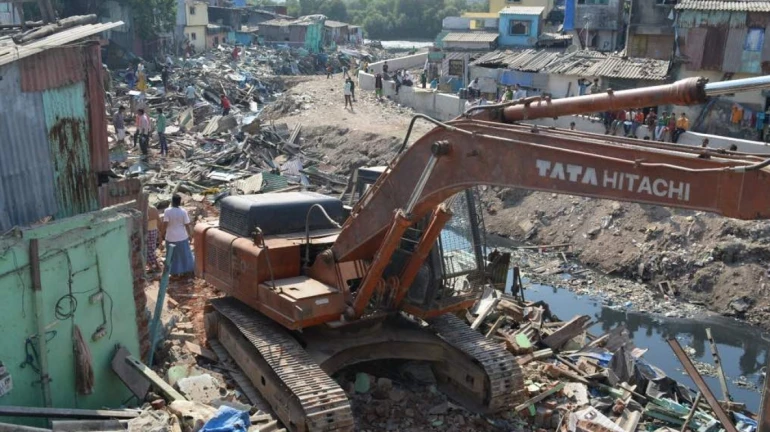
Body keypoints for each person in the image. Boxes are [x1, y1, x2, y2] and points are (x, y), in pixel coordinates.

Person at [161, 194, 195, 277]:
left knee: (172, 256)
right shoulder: (183, 211)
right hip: (182, 237)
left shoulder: (167, 211)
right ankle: (186, 271)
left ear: (172, 201)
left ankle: (174, 273)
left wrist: (161, 233)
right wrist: (190, 235)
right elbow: (187, 225)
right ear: (180, 202)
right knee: (184, 254)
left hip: (170, 237)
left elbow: (165, 224)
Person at [146, 204, 162, 271]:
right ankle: (151, 266)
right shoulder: (153, 208)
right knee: (151, 249)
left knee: (148, 250)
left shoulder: (144, 208)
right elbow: (159, 220)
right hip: (154, 230)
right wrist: (158, 230)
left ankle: (157, 266)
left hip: (148, 230)